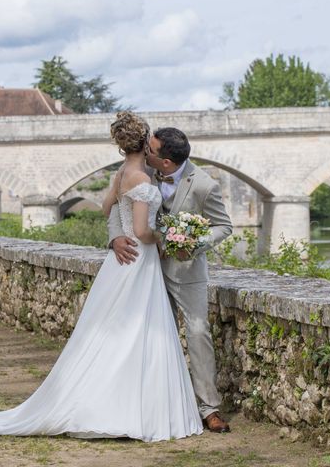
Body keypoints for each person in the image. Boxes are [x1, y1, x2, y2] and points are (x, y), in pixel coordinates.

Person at [0, 112, 203, 442]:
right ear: (144, 142)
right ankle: (128, 408)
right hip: (139, 260)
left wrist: (121, 232)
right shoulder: (141, 179)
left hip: (120, 266)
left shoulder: (123, 173)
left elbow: (105, 207)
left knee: (115, 332)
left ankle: (111, 401)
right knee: (138, 331)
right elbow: (141, 231)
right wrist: (166, 236)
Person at [107, 126, 233, 433]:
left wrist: (191, 245)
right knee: (146, 334)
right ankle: (145, 404)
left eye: (150, 150)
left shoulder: (204, 185)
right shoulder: (137, 172)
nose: (143, 151)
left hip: (186, 272)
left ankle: (208, 408)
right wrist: (114, 239)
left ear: (166, 162)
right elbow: (116, 205)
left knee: (198, 332)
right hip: (143, 268)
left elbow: (223, 226)